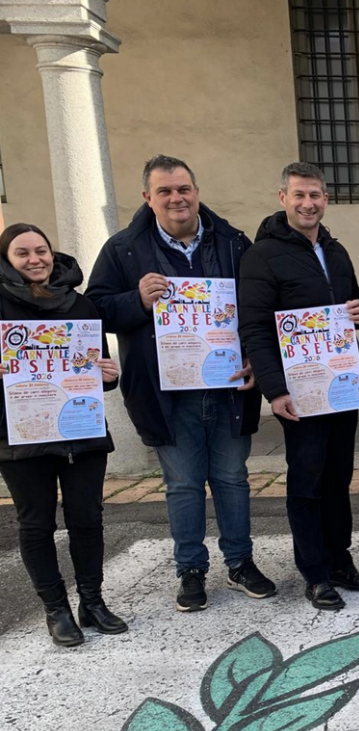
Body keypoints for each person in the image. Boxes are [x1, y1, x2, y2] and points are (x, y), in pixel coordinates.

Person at [88, 155, 271, 613]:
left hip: (228, 386)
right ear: (147, 198)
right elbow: (95, 311)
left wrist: (254, 356)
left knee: (232, 479)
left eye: (184, 188)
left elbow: (258, 306)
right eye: (165, 191)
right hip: (164, 392)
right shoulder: (123, 250)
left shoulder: (234, 243)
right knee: (183, 484)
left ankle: (240, 562)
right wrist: (136, 300)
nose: (177, 198)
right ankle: (190, 569)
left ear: (196, 192)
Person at [238, 162, 359, 610]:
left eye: (315, 195)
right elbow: (254, 328)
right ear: (283, 198)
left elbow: (353, 303)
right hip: (299, 390)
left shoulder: (335, 250)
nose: (308, 203)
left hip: (340, 383)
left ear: (325, 199)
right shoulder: (261, 256)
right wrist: (275, 390)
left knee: (338, 478)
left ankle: (339, 560)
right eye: (299, 195)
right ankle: (315, 573)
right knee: (306, 482)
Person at [1, 224, 124, 646]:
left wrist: (108, 375)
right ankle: (56, 609)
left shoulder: (80, 304)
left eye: (41, 250)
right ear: (6, 260)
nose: (35, 259)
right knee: (36, 524)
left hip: (79, 429)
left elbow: (98, 369)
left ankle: (92, 601)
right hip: (20, 434)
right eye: (22, 253)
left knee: (87, 519)